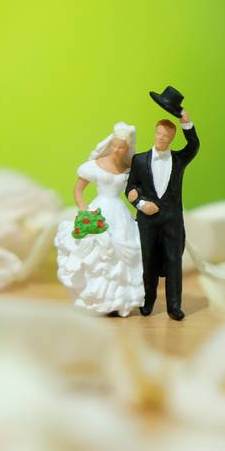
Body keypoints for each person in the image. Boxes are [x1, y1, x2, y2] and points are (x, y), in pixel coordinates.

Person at [53, 122, 145, 316]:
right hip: (99, 209)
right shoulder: (96, 165)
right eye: (115, 145)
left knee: (121, 251)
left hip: (118, 212)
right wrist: (84, 209)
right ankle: (94, 297)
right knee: (97, 252)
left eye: (122, 147)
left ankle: (119, 300)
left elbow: (134, 191)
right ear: (110, 144)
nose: (117, 150)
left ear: (127, 148)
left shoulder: (129, 168)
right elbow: (78, 190)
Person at [127, 102, 199, 320]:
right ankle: (147, 301)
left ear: (172, 138)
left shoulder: (179, 159)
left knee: (174, 262)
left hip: (172, 220)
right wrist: (140, 204)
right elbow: (130, 188)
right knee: (148, 260)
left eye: (166, 136)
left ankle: (174, 306)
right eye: (159, 134)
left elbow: (194, 145)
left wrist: (187, 123)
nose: (161, 138)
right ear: (155, 133)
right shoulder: (139, 160)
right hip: (147, 221)